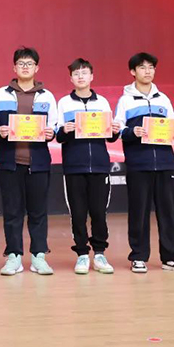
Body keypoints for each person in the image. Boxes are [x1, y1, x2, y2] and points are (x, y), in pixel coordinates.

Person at [114, 52, 174, 273]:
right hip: (138, 163)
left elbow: (173, 122)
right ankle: (138, 256)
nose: (147, 72)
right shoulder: (125, 100)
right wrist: (132, 131)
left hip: (164, 163)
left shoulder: (163, 99)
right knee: (139, 212)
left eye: (151, 67)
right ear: (133, 72)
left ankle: (170, 256)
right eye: (142, 67)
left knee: (167, 212)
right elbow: (117, 128)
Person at [0, 46, 58, 276]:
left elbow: (54, 126)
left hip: (38, 163)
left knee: (38, 212)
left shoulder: (47, 96)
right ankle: (14, 256)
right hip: (10, 162)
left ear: (37, 68)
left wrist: (51, 132)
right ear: (14, 67)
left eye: (29, 63)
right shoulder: (1, 94)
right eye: (21, 63)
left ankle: (39, 256)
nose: (25, 67)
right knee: (12, 212)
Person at [56, 58, 121, 275]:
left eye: (84, 73)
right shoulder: (64, 103)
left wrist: (114, 130)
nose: (80, 77)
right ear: (71, 78)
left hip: (100, 166)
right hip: (74, 166)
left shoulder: (102, 102)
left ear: (92, 76)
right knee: (77, 213)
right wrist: (65, 130)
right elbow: (58, 135)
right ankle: (82, 254)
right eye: (76, 73)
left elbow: (110, 137)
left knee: (99, 212)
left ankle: (100, 253)